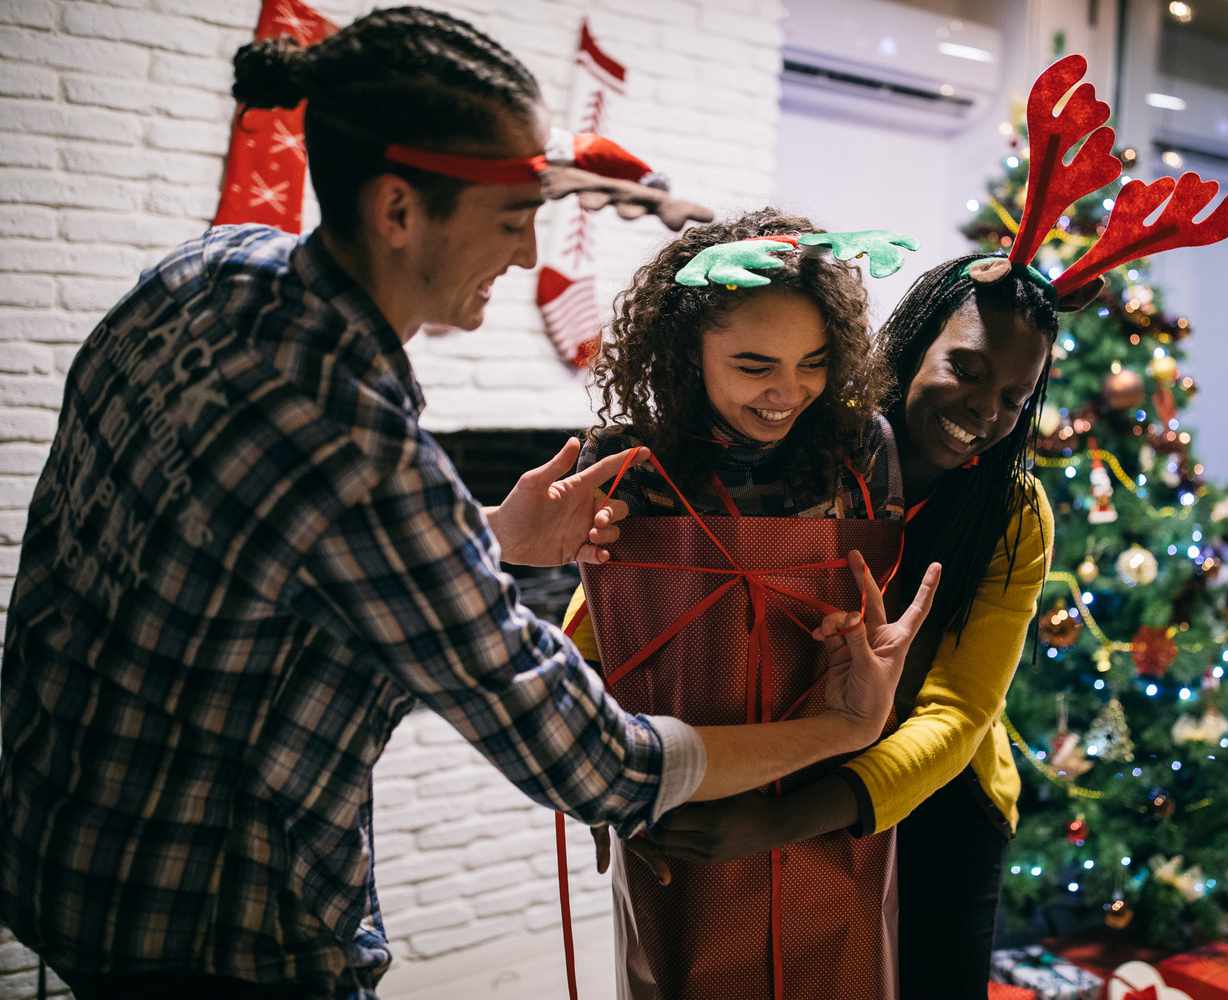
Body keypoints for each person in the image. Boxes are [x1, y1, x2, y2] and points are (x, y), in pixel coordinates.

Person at [0, 10, 934, 998]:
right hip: (213, 928)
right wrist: (841, 728)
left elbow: (240, 558)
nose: (530, 255)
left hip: (62, 850)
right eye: (510, 217)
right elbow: (597, 764)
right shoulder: (354, 442)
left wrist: (491, 537)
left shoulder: (206, 269)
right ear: (398, 209)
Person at [639, 252, 1058, 999]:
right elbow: (649, 596)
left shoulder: (1014, 514)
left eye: (1014, 399)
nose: (985, 414)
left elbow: (960, 712)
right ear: (912, 344)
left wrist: (791, 821)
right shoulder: (805, 454)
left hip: (931, 798)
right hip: (776, 770)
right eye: (965, 369)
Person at [561, 208, 931, 999]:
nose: (787, 392)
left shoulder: (861, 452)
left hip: (826, 786)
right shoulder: (629, 467)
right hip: (682, 787)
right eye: (755, 364)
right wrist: (604, 789)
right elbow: (597, 627)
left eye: (814, 361)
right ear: (688, 353)